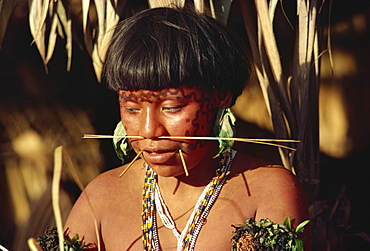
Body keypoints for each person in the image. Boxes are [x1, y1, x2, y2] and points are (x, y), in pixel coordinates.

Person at [63, 6, 310, 250]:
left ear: (220, 97)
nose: (149, 131)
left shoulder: (267, 191)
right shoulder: (101, 198)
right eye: (132, 109)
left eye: (172, 107)